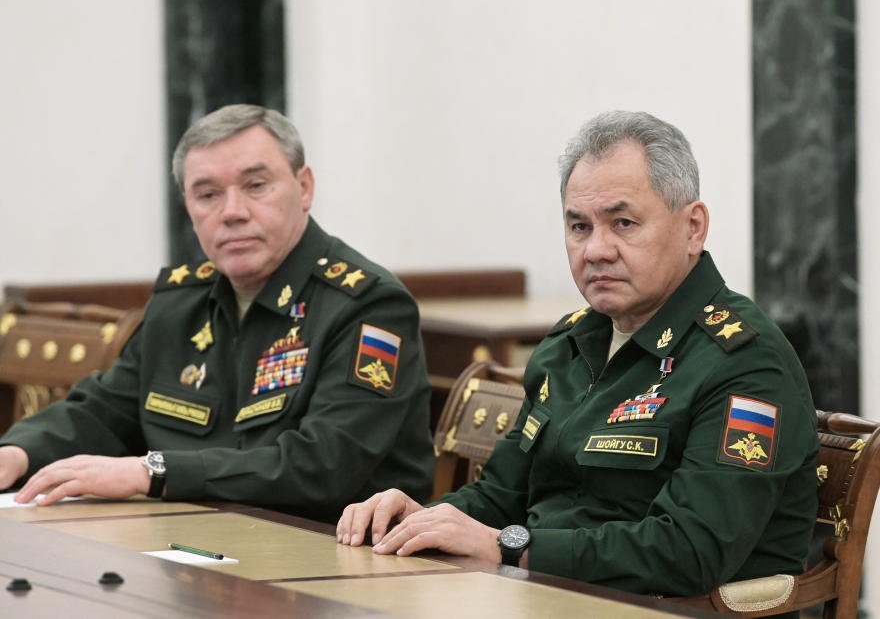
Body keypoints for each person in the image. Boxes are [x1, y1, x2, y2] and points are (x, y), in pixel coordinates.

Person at [337, 110, 819, 598]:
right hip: (543, 597)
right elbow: (501, 495)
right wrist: (422, 521)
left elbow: (689, 551)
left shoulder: (744, 360)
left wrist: (509, 549)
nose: (596, 250)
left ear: (693, 227)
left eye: (623, 223)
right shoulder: (568, 346)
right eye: (579, 227)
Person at [0, 104, 434, 522]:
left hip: (332, 557)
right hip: (191, 542)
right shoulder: (181, 301)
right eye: (207, 194)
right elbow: (107, 411)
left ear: (304, 188)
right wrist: (19, 452)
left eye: (256, 186)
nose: (232, 212)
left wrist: (151, 473)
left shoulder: (367, 305)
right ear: (188, 208)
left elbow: (322, 467)